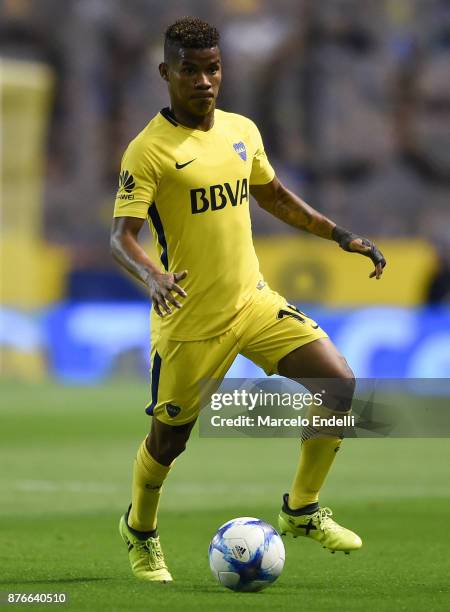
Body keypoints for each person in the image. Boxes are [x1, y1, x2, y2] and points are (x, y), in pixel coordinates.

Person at [110, 17, 386, 583]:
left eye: (212, 69)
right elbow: (121, 237)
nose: (204, 81)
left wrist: (340, 235)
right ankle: (139, 530)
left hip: (253, 304)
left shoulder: (242, 130)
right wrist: (155, 278)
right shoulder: (149, 151)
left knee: (338, 381)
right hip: (189, 321)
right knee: (168, 443)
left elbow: (276, 198)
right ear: (166, 73)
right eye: (190, 71)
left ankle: (301, 509)